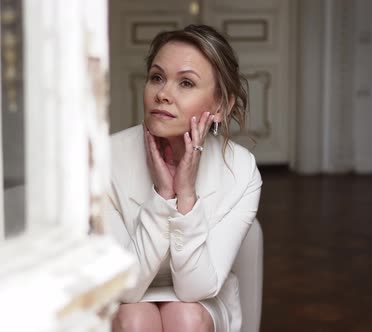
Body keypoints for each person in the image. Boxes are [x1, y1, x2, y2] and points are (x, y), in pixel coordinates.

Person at [105, 24, 262, 332]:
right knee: (135, 318)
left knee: (184, 316)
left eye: (186, 83)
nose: (163, 94)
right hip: (125, 300)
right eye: (157, 77)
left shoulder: (241, 171)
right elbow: (124, 288)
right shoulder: (105, 158)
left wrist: (186, 197)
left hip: (199, 303)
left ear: (221, 105)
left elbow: (196, 290)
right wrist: (163, 197)